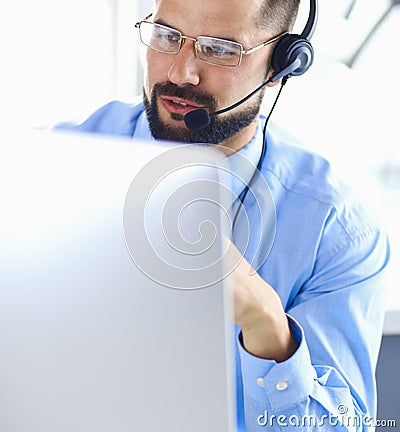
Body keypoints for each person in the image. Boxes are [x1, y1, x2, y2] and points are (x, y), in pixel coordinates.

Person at [57, 0, 390, 430]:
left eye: (219, 50)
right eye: (166, 36)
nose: (180, 73)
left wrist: (270, 329)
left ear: (281, 66)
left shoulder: (338, 233)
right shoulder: (54, 163)